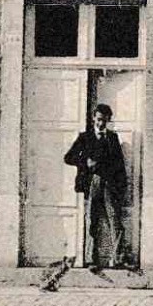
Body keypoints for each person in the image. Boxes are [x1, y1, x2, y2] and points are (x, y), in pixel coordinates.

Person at [64, 103, 131, 273]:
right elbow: (68, 158)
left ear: (108, 120)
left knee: (114, 220)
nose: (101, 123)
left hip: (110, 184)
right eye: (99, 119)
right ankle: (91, 259)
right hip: (92, 182)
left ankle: (117, 258)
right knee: (92, 220)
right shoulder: (84, 137)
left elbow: (120, 165)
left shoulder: (112, 138)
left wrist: (121, 188)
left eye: (105, 120)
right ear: (94, 117)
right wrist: (84, 162)